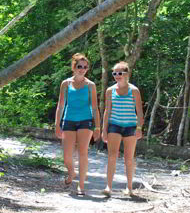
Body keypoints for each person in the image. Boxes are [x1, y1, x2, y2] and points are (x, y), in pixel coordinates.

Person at [54, 53, 101, 196]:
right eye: (79, 66)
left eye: (85, 67)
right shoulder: (66, 83)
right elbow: (61, 105)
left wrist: (98, 127)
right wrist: (57, 124)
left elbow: (94, 107)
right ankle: (71, 173)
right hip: (68, 120)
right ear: (74, 67)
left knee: (83, 153)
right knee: (67, 156)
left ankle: (81, 186)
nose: (82, 69)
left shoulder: (90, 85)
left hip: (85, 121)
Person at [101, 61, 144, 197]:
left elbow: (139, 111)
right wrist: (104, 130)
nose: (117, 76)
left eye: (120, 73)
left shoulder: (134, 91)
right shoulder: (110, 90)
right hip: (114, 125)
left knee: (129, 158)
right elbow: (107, 111)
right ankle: (108, 186)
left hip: (130, 126)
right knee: (112, 156)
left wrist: (139, 127)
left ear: (127, 74)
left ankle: (129, 188)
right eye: (114, 73)